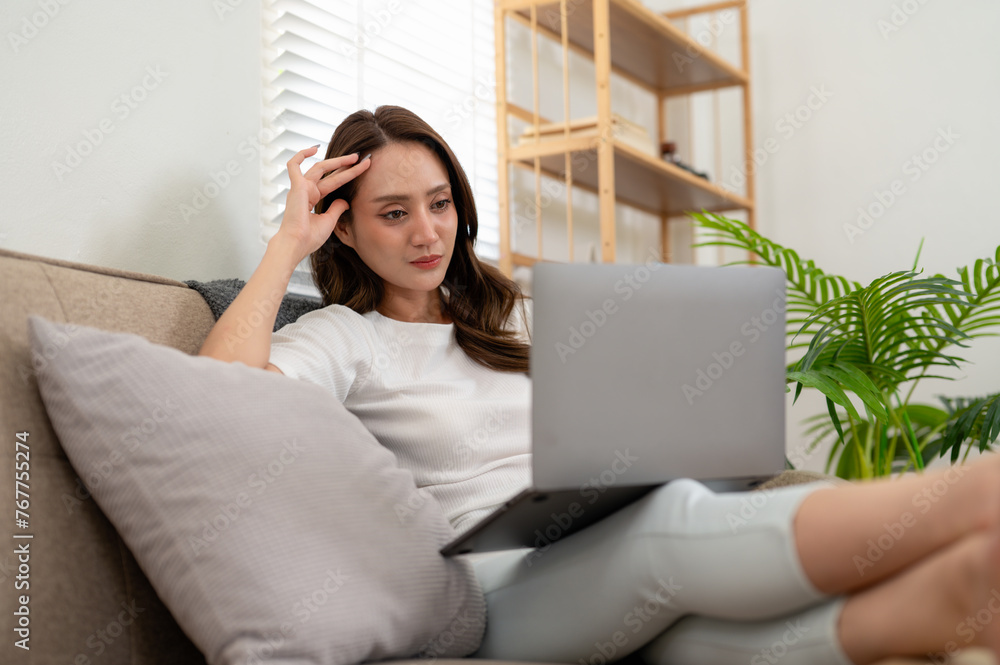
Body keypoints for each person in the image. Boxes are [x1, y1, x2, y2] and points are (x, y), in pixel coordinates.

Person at [198, 105, 1000, 665]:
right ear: (343, 224)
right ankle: (969, 497)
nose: (428, 231)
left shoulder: (519, 314)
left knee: (695, 638)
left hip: (599, 552)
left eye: (440, 203)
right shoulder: (345, 337)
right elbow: (217, 395)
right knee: (672, 527)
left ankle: (959, 600)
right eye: (394, 213)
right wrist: (285, 242)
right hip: (493, 589)